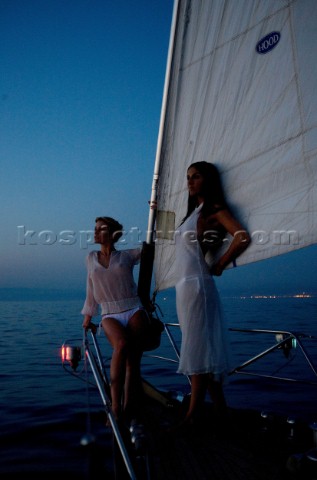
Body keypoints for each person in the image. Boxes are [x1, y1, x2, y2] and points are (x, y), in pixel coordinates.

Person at [174, 161, 251, 428]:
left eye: (196, 176)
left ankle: (193, 415)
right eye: (188, 177)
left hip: (198, 286)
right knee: (200, 348)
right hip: (184, 287)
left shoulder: (213, 210)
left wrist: (219, 264)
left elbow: (242, 236)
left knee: (197, 350)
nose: (190, 182)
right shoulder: (193, 213)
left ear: (208, 180)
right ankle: (221, 411)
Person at [81, 216, 149, 423]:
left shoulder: (127, 256)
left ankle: (129, 406)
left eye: (100, 229)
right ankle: (115, 405)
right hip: (109, 313)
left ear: (112, 234)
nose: (95, 233)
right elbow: (90, 290)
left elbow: (152, 248)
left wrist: (156, 213)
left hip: (134, 307)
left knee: (133, 363)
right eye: (94, 229)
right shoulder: (91, 258)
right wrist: (88, 316)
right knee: (121, 344)